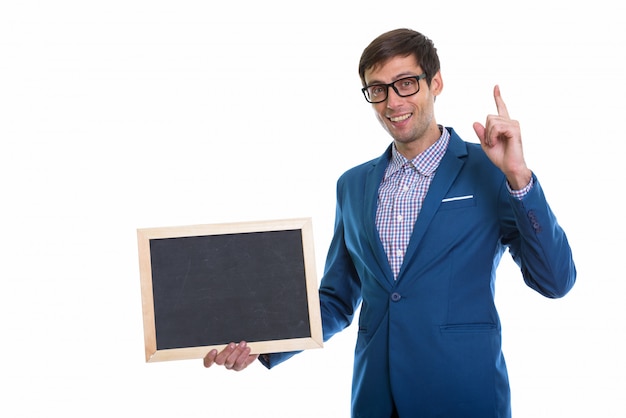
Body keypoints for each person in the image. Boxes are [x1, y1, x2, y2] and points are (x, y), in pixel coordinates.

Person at [203, 28, 576, 417]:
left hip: (463, 393)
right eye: (377, 89)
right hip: (376, 399)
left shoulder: (490, 171)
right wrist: (264, 342)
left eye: (406, 83)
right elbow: (336, 299)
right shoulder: (352, 185)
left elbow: (555, 281)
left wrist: (519, 177)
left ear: (436, 83)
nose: (392, 101)